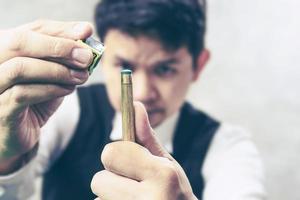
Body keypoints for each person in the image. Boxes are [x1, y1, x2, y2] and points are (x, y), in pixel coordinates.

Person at [0, 0, 266, 199]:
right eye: (124, 65)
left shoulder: (227, 147)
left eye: (164, 69)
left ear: (198, 65)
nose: (140, 93)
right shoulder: (62, 109)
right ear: (104, 59)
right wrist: (7, 156)